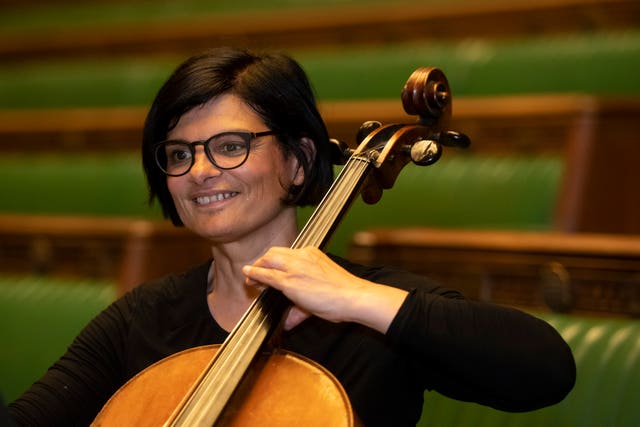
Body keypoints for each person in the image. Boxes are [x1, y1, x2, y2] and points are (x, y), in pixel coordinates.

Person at [8, 47, 575, 426]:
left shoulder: (366, 314)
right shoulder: (144, 321)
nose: (200, 171)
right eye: (179, 154)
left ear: (299, 162)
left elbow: (545, 370)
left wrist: (359, 300)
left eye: (230, 146)